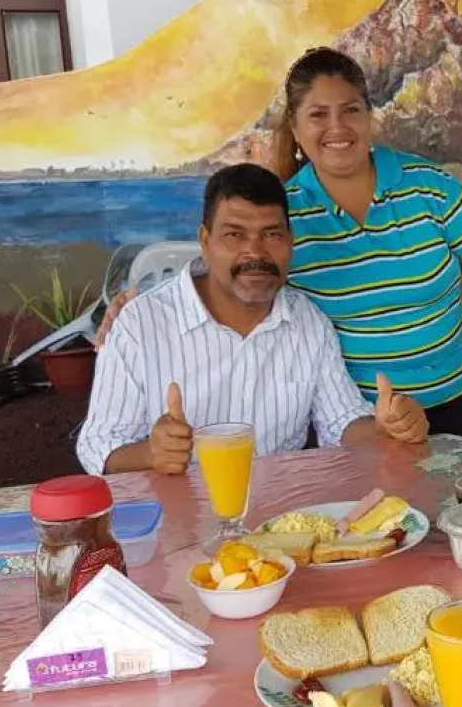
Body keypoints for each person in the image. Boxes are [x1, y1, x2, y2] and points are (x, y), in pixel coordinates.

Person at [99, 47, 462, 451]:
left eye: (350, 110)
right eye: (318, 114)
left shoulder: (431, 188)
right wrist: (138, 311)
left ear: (369, 117)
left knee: (444, 516)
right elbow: (232, 268)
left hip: (447, 398)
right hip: (349, 419)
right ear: (296, 127)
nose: (337, 128)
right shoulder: (285, 217)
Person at [76, 163, 428, 476]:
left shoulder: (307, 321)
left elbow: (340, 423)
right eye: (235, 235)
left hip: (279, 523)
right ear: (205, 240)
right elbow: (98, 445)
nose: (255, 253)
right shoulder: (142, 324)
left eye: (271, 235)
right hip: (177, 523)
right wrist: (151, 454)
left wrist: (386, 427)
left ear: (290, 241)